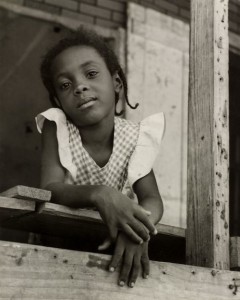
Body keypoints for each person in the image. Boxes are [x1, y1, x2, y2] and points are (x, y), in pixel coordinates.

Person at [36, 27, 165, 288]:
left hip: (115, 244)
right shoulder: (57, 126)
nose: (80, 86)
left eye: (91, 74)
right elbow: (50, 188)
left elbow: (151, 198)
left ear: (116, 82)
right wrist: (101, 193)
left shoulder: (136, 137)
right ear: (59, 101)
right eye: (65, 85)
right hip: (61, 243)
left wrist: (138, 231)